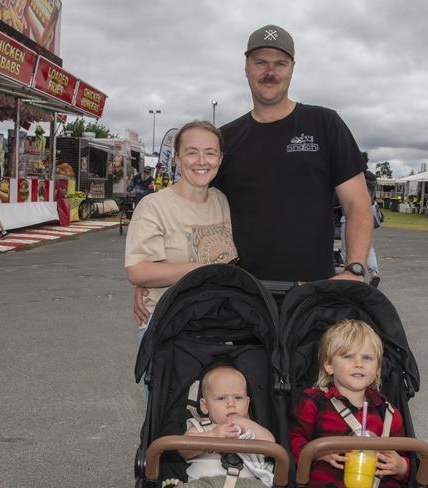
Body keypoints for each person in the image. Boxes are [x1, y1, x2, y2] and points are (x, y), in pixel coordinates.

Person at [133, 24, 372, 324]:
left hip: (313, 296)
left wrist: (355, 268)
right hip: (240, 298)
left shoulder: (325, 124)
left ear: (292, 68)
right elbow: (193, 210)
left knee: (314, 371)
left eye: (279, 63)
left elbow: (358, 204)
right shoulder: (225, 140)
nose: (269, 72)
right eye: (260, 62)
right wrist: (157, 274)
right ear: (246, 67)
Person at [125, 121, 238, 330]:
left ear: (220, 158)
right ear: (177, 157)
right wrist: (202, 270)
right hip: (170, 328)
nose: (202, 161)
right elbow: (137, 271)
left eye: (211, 153)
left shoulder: (221, 200)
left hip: (219, 325)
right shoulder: (154, 206)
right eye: (192, 153)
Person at [289, 320, 409, 488]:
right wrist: (317, 453)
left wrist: (401, 466)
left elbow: (407, 456)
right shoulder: (314, 402)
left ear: (377, 368)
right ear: (329, 365)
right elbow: (292, 441)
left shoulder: (388, 412)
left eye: (367, 358)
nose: (359, 364)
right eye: (348, 356)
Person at [179, 365, 275, 487]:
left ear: (247, 403)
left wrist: (245, 423)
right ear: (205, 406)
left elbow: (270, 447)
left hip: (248, 484)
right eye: (221, 398)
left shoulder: (251, 430)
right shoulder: (201, 428)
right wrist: (212, 435)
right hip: (206, 482)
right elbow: (183, 449)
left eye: (238, 397)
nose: (231, 404)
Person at [340, 169, 381, 287]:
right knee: (369, 247)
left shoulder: (355, 179)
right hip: (368, 215)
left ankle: (351, 274)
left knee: (347, 248)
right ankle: (374, 272)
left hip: (350, 217)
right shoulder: (371, 179)